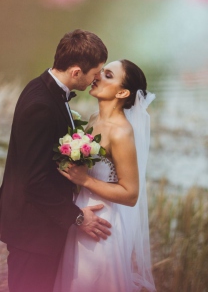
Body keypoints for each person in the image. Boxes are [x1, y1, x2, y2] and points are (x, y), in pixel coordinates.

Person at [0, 29, 111, 292]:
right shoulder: (41, 105)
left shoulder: (42, 86)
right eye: (95, 72)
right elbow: (35, 182)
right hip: (33, 231)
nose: (96, 78)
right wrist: (78, 218)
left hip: (39, 228)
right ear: (76, 72)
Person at [54, 59, 156, 292]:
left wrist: (85, 180)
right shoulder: (93, 119)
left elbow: (130, 194)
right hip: (81, 214)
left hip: (101, 224)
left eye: (108, 75)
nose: (98, 76)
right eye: (101, 71)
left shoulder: (121, 132)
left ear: (122, 92)